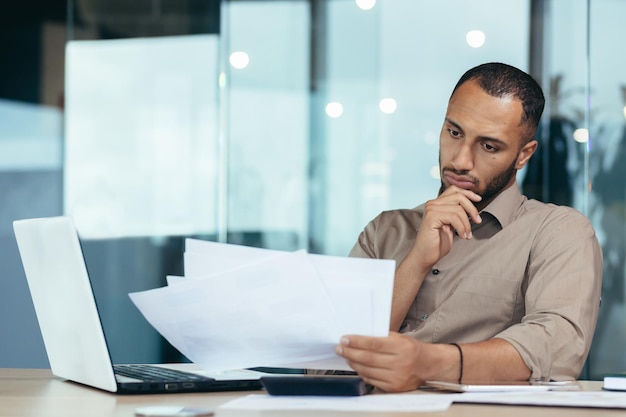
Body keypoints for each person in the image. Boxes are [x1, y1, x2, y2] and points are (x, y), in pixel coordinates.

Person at [333, 62, 603, 392]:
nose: (461, 160)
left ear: (523, 155)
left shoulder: (558, 232)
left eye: (488, 146)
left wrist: (427, 363)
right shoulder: (384, 231)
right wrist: (416, 262)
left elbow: (557, 351)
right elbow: (327, 361)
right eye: (454, 132)